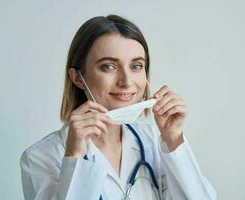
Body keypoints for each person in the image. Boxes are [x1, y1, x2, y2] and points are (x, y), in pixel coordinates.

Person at [20, 15, 217, 200]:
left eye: (136, 66)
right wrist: (75, 158)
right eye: (109, 66)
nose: (127, 81)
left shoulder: (154, 140)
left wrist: (174, 140)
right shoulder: (40, 157)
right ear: (78, 77)